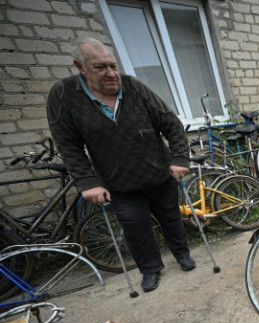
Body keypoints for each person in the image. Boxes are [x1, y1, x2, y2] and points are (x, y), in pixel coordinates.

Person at [46, 37, 195, 292]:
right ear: (80, 67)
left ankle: (182, 254)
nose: (111, 73)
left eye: (113, 65)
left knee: (172, 220)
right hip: (119, 185)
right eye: (100, 67)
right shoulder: (65, 96)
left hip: (159, 175)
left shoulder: (133, 87)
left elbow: (171, 124)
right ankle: (150, 269)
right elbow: (68, 145)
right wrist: (88, 182)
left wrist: (180, 158)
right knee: (137, 231)